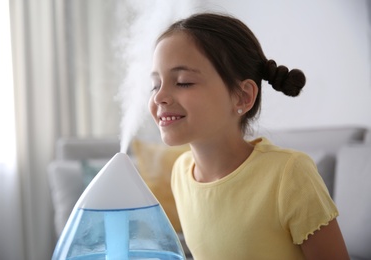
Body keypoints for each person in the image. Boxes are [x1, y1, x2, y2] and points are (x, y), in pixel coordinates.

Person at [148, 12, 349, 259]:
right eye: (155, 85)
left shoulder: (289, 174)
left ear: (242, 97)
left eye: (183, 82)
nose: (159, 97)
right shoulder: (180, 172)